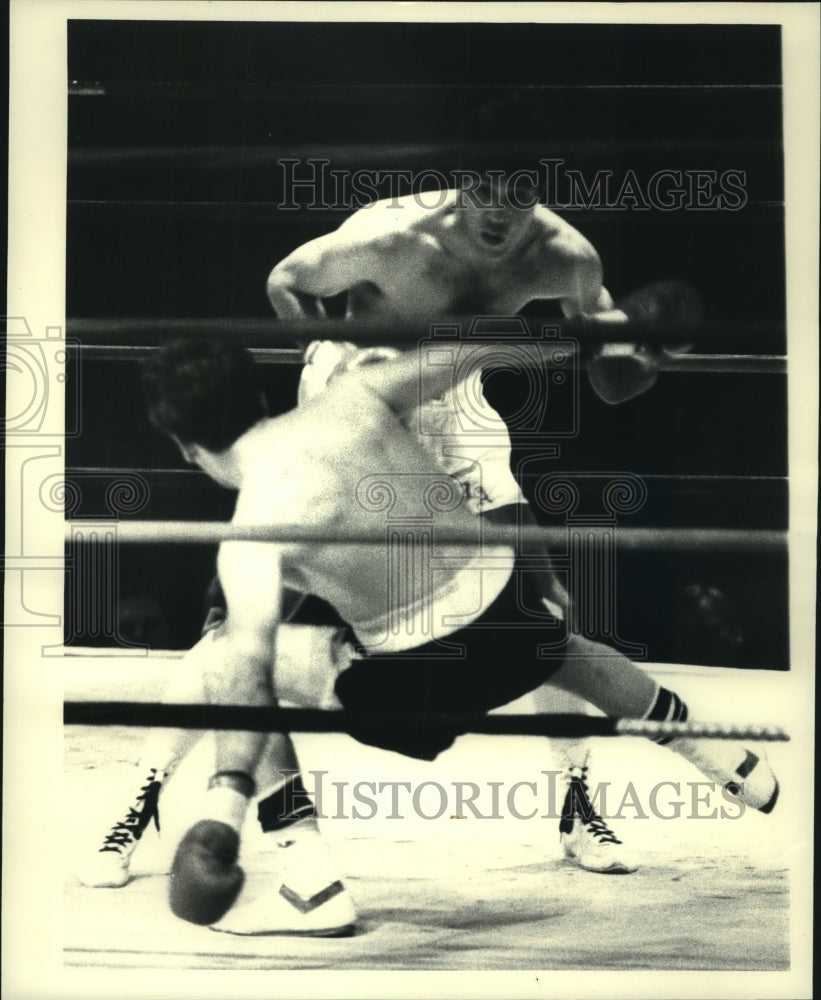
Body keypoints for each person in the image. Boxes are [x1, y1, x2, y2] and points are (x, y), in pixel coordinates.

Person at [108, 337, 777, 934]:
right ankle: (729, 762)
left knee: (228, 654)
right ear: (258, 391)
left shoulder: (251, 534)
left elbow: (249, 671)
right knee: (560, 650)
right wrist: (601, 339)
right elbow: (472, 349)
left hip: (424, 685)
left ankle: (309, 881)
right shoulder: (358, 394)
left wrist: (225, 801)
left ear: (183, 446)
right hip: (509, 612)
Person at [262, 169, 700, 873]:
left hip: (454, 398)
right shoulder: (389, 232)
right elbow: (285, 278)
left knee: (547, 599)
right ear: (463, 189)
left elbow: (608, 377)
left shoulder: (566, 257)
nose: (500, 216)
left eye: (519, 201)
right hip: (353, 399)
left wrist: (640, 348)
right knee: (250, 605)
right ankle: (224, 808)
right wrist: (316, 358)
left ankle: (575, 804)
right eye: (487, 196)